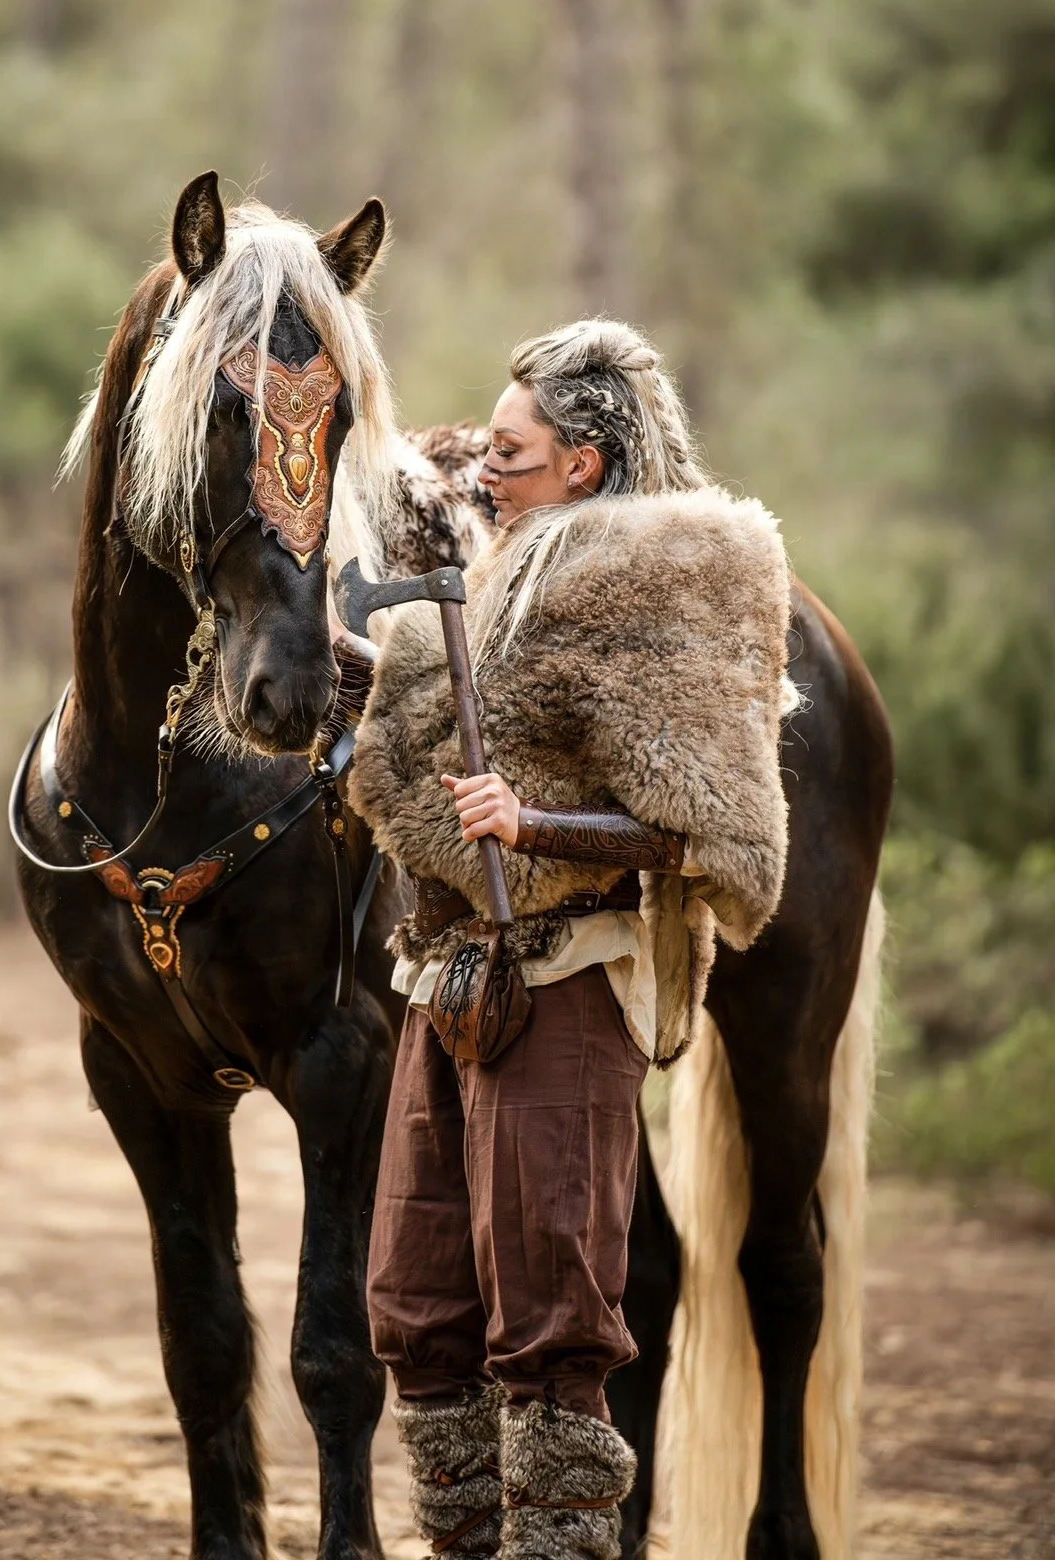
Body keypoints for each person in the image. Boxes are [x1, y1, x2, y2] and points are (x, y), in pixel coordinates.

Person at [347, 320, 794, 1560]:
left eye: (510, 449)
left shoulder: (675, 575)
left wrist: (531, 817)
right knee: (416, 1305)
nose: (480, 470)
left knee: (551, 1329)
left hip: (564, 982)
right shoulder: (506, 569)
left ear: (585, 462)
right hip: (446, 979)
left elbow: (713, 829)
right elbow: (443, 726)